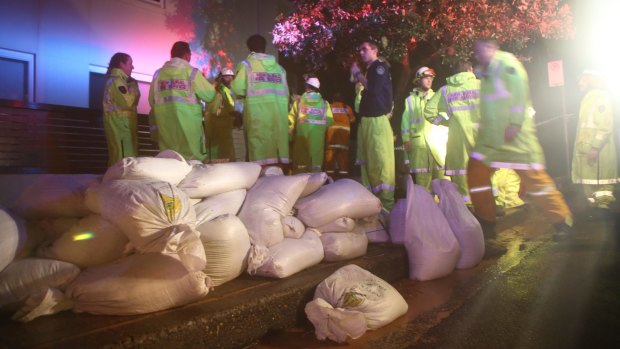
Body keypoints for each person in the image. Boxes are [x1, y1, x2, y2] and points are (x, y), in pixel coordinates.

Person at [469, 38, 573, 240]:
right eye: (477, 52)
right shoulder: (487, 73)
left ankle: (562, 221)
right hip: (491, 141)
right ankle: (486, 224)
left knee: (537, 182)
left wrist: (515, 123)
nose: (480, 54)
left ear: (494, 48)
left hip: (514, 138)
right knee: (475, 173)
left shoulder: (508, 65)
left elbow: (519, 95)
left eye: (483, 49)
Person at [423, 61, 480, 206]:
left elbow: (429, 112)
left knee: (460, 169)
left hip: (457, 135)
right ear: (470, 69)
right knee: (483, 167)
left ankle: (465, 205)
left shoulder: (445, 90)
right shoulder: (482, 85)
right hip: (481, 132)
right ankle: (491, 203)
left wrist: (445, 122)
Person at [149, 41, 215, 161]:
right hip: (189, 129)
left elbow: (151, 100)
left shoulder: (158, 74)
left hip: (166, 129)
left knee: (169, 164)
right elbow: (209, 95)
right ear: (187, 56)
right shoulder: (192, 72)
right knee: (192, 165)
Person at [231, 34, 290, 168]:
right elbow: (286, 94)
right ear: (264, 47)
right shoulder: (280, 69)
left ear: (249, 49)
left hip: (257, 119)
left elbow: (238, 89)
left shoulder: (246, 65)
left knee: (258, 162)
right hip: (278, 121)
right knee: (276, 162)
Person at [350, 40, 395, 211]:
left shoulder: (378, 67)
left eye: (364, 49)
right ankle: (373, 205)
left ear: (375, 51)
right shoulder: (370, 71)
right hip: (367, 122)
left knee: (380, 162)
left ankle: (387, 207)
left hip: (377, 121)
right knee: (367, 162)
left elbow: (374, 89)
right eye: (360, 49)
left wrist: (357, 74)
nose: (361, 52)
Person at [572, 70, 617, 211]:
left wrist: (596, 147)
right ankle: (595, 207)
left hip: (598, 150)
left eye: (583, 80)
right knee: (589, 182)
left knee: (602, 182)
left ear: (592, 80)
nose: (579, 83)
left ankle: (603, 208)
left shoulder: (601, 97)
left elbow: (605, 125)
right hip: (585, 149)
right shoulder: (587, 98)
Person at [401, 66, 447, 191]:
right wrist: (406, 140)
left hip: (438, 147)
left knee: (444, 185)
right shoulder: (410, 100)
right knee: (423, 187)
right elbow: (405, 123)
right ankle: (426, 210)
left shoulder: (438, 97)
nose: (429, 80)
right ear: (418, 80)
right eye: (426, 78)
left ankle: (444, 210)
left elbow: (445, 120)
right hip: (420, 148)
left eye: (431, 78)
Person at [288, 77, 333, 173]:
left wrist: (289, 138)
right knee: (315, 170)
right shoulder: (325, 104)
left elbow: (291, 122)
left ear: (307, 87)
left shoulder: (300, 102)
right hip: (317, 142)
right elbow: (329, 122)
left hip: (301, 141)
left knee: (300, 170)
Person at [102, 52, 140, 166]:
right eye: (130, 64)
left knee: (123, 158)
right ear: (121, 64)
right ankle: (116, 182)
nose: (132, 67)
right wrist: (133, 89)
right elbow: (127, 102)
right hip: (120, 126)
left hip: (122, 125)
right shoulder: (117, 81)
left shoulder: (121, 81)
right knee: (123, 160)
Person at [204, 67, 240, 163]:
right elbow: (216, 110)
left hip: (223, 130)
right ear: (221, 78)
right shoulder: (218, 91)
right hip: (218, 131)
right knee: (221, 158)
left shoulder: (225, 91)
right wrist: (233, 114)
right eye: (227, 77)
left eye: (232, 77)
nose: (230, 80)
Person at [324, 92, 356, 177]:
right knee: (343, 157)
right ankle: (343, 177)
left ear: (333, 99)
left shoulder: (329, 107)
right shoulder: (347, 108)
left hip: (332, 137)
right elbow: (353, 120)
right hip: (343, 138)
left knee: (329, 157)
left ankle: (329, 177)